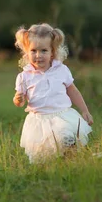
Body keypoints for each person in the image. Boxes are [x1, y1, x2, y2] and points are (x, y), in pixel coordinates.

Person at [12, 23, 93, 163]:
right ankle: (51, 170)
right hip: (39, 120)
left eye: (44, 50)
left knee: (67, 139)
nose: (38, 55)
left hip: (61, 116)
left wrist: (84, 110)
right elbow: (20, 102)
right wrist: (18, 99)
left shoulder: (61, 70)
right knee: (43, 155)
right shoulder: (24, 77)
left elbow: (72, 91)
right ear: (26, 52)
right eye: (33, 51)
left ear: (52, 52)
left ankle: (72, 165)